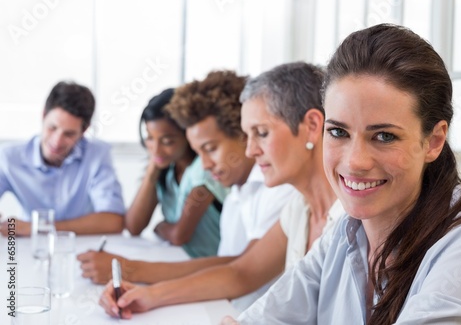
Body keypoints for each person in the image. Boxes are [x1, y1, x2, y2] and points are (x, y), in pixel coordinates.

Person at [228, 24, 461, 324]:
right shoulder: (344, 233)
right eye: (338, 132)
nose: (355, 162)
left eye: (384, 136)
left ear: (434, 141)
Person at [97, 62, 344, 319]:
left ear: (313, 126)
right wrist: (150, 295)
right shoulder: (299, 207)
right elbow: (242, 272)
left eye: (261, 133)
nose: (250, 151)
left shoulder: (349, 221)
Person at [78, 70, 295, 310]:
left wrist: (139, 275)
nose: (204, 165)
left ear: (243, 135)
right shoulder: (237, 193)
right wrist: (147, 291)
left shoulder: (279, 190)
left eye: (210, 148)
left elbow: (242, 269)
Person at [79, 89, 227, 261]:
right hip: (181, 259)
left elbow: (179, 235)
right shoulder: (167, 170)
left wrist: (160, 226)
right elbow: (134, 226)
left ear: (187, 135)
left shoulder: (202, 170)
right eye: (149, 138)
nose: (156, 149)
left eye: (167, 141)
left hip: (212, 264)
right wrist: (152, 170)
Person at [0, 81, 125, 236]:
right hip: (28, 248)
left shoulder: (97, 155)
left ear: (84, 130)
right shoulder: (9, 158)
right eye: (52, 128)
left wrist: (38, 227)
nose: (57, 142)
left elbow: (113, 221)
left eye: (69, 134)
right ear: (43, 115)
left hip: (80, 247)